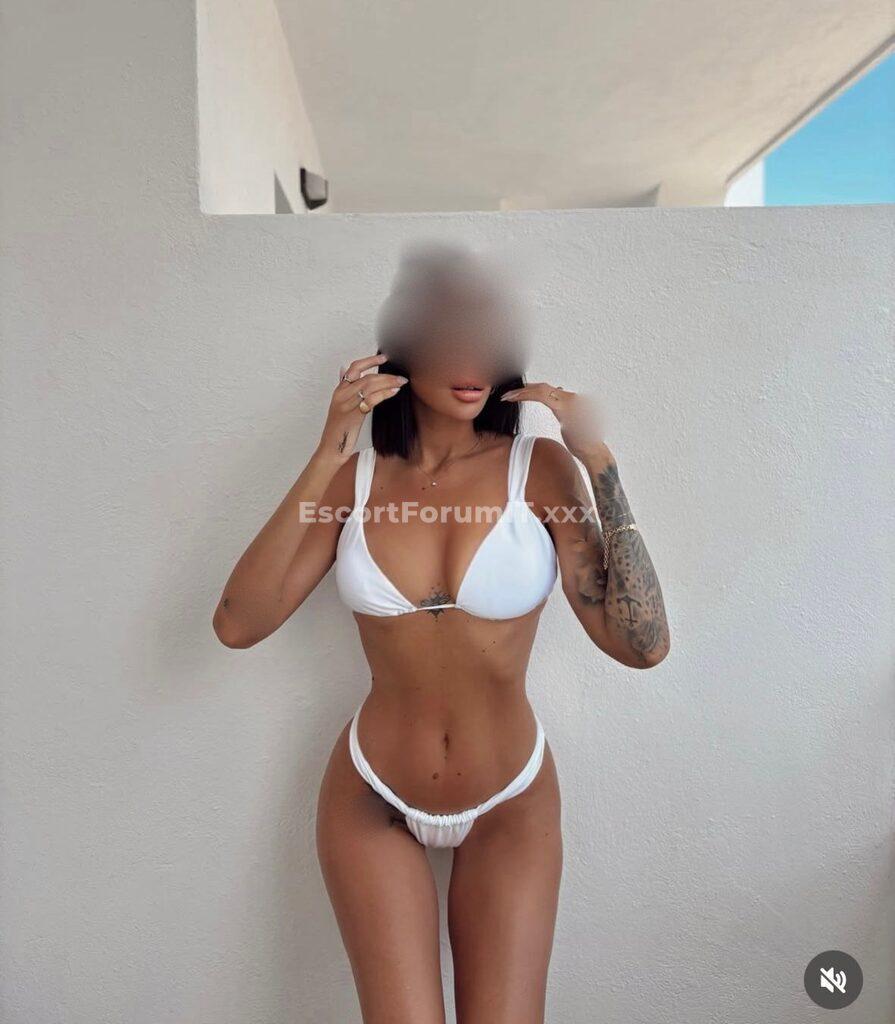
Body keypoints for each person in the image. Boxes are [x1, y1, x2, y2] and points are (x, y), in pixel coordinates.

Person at [213, 242, 670, 1024]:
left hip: (509, 797)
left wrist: (599, 464)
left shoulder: (539, 469)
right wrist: (327, 452)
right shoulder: (355, 481)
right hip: (371, 794)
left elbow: (641, 646)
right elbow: (238, 624)